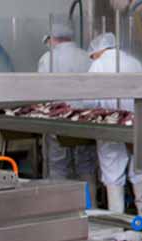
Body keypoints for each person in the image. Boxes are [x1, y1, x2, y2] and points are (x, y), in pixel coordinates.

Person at [85, 33, 142, 220]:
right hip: (136, 122)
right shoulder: (135, 62)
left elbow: (90, 99)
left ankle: (117, 218)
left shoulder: (98, 65)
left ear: (98, 51)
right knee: (139, 168)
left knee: (112, 170)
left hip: (110, 123)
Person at [37, 23, 95, 182]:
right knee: (86, 163)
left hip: (58, 118)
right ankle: (89, 197)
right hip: (84, 118)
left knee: (58, 164)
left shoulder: (47, 58)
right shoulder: (86, 56)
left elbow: (40, 90)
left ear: (52, 38)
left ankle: (60, 196)